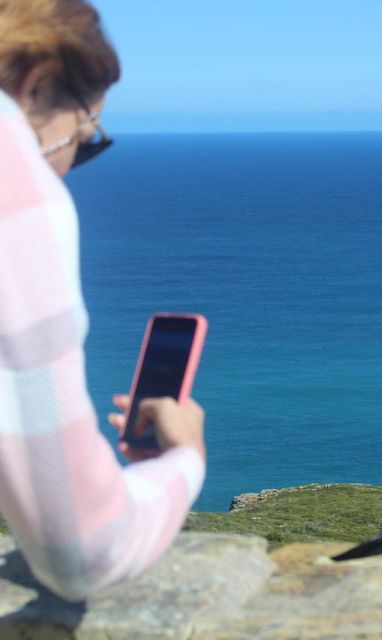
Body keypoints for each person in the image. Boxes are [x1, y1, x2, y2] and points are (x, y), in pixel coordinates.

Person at [0, 0, 206, 600]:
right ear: (36, 83)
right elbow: (82, 553)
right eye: (85, 138)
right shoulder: (17, 189)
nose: (66, 168)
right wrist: (183, 461)